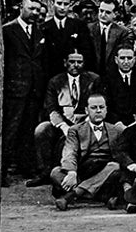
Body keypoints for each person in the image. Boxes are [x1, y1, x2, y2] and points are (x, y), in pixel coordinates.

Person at [29, 51, 102, 187]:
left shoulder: (94, 79)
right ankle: (45, 172)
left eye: (79, 62)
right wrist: (63, 126)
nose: (75, 65)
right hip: (63, 123)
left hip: (85, 122)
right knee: (42, 130)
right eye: (72, 61)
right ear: (65, 63)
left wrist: (86, 123)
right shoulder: (55, 81)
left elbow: (97, 103)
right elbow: (51, 108)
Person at [50, 94, 122, 211]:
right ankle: (98, 196)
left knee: (115, 166)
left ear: (106, 110)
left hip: (105, 174)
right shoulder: (75, 130)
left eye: (101, 107)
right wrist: (72, 172)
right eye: (94, 108)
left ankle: (73, 195)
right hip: (82, 173)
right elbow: (70, 151)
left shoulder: (116, 130)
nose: (98, 111)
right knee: (55, 173)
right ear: (86, 110)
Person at [2, 0, 47, 181]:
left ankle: (25, 167)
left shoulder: (40, 31)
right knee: (10, 130)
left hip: (34, 90)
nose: (34, 13)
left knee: (28, 130)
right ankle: (1, 171)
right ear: (21, 7)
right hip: (14, 90)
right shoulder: (7, 30)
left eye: (37, 9)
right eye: (30, 8)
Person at [41, 0, 93, 78]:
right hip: (51, 75)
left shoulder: (79, 26)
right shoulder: (44, 28)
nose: (62, 7)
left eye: (66, 4)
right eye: (59, 3)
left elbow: (87, 53)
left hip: (74, 74)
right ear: (52, 4)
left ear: (70, 5)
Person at [104, 45, 136, 126]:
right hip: (115, 124)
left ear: (134, 60)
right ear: (116, 60)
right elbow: (106, 106)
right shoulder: (106, 80)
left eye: (129, 58)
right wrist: (117, 122)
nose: (126, 62)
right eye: (122, 58)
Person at [87, 0, 131, 76]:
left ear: (115, 14)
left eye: (107, 12)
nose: (103, 15)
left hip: (113, 75)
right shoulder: (88, 29)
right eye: (101, 11)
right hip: (91, 74)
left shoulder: (122, 32)